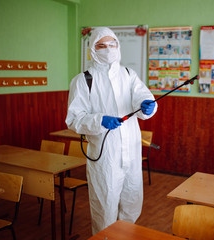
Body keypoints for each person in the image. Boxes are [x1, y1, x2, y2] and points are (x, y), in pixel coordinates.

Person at [65, 27, 157, 235]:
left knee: (132, 203)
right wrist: (100, 121)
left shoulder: (128, 74)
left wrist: (147, 104)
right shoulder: (83, 80)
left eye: (112, 44)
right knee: (104, 207)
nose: (108, 49)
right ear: (92, 49)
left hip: (132, 154)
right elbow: (74, 119)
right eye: (101, 46)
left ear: (118, 46)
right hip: (105, 156)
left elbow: (142, 95)